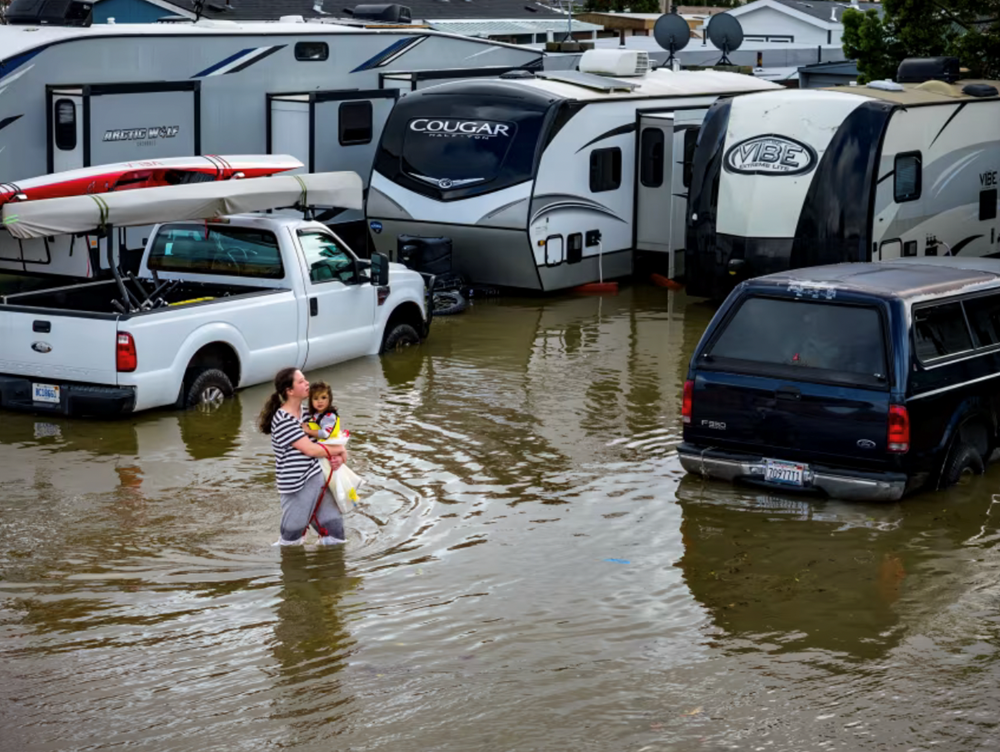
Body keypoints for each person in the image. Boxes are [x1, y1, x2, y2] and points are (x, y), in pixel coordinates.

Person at [258, 368, 347, 546]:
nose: (307, 383)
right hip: (296, 486)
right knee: (290, 541)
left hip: (318, 480)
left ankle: (330, 571)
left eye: (305, 380)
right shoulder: (283, 419)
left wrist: (341, 454)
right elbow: (311, 450)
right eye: (301, 381)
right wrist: (339, 450)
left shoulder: (308, 414)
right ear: (289, 391)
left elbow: (330, 439)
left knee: (336, 534)